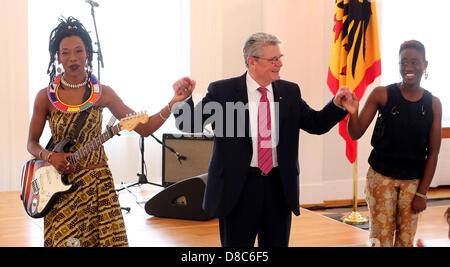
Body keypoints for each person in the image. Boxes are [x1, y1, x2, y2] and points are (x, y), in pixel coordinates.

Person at [172, 32, 352, 247]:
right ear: (252, 62)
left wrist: (337, 105)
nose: (280, 64)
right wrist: (182, 101)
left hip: (278, 187)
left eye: (280, 57)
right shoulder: (223, 91)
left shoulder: (290, 91)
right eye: (273, 59)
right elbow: (189, 124)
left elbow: (316, 124)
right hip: (238, 189)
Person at [27, 17, 190, 247]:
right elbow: (32, 143)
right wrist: (50, 156)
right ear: (57, 56)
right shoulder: (45, 97)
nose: (72, 58)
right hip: (60, 189)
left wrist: (174, 102)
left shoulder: (103, 93)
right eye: (65, 53)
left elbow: (144, 128)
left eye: (78, 51)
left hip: (98, 187)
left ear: (87, 54)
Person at [346, 40, 442, 247]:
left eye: (414, 62)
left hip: (413, 183)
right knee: (380, 239)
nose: (408, 67)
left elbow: (433, 153)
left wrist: (422, 193)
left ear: (425, 65)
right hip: (381, 178)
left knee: (406, 241)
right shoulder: (382, 94)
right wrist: (353, 112)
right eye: (403, 62)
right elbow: (355, 133)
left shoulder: (433, 103)